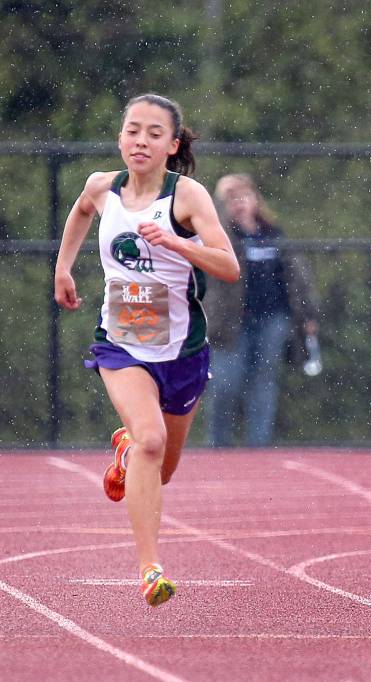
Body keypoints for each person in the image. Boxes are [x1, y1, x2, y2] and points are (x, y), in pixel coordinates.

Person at [53, 94, 240, 606]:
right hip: (121, 346)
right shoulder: (102, 187)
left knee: (161, 466)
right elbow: (79, 214)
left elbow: (228, 267)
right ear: (120, 139)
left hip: (182, 352)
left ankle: (126, 452)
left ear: (172, 145)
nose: (141, 140)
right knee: (152, 441)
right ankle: (150, 568)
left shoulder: (187, 198)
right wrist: (63, 268)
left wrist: (177, 244)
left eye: (154, 133)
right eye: (133, 130)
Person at [203, 173, 320, 447]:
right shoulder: (219, 235)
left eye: (244, 196)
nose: (240, 204)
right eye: (232, 199)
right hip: (230, 322)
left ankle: (259, 447)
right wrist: (224, 204)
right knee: (225, 385)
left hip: (272, 320)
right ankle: (217, 447)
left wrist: (308, 315)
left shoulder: (273, 235)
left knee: (263, 384)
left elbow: (297, 278)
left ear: (256, 200)